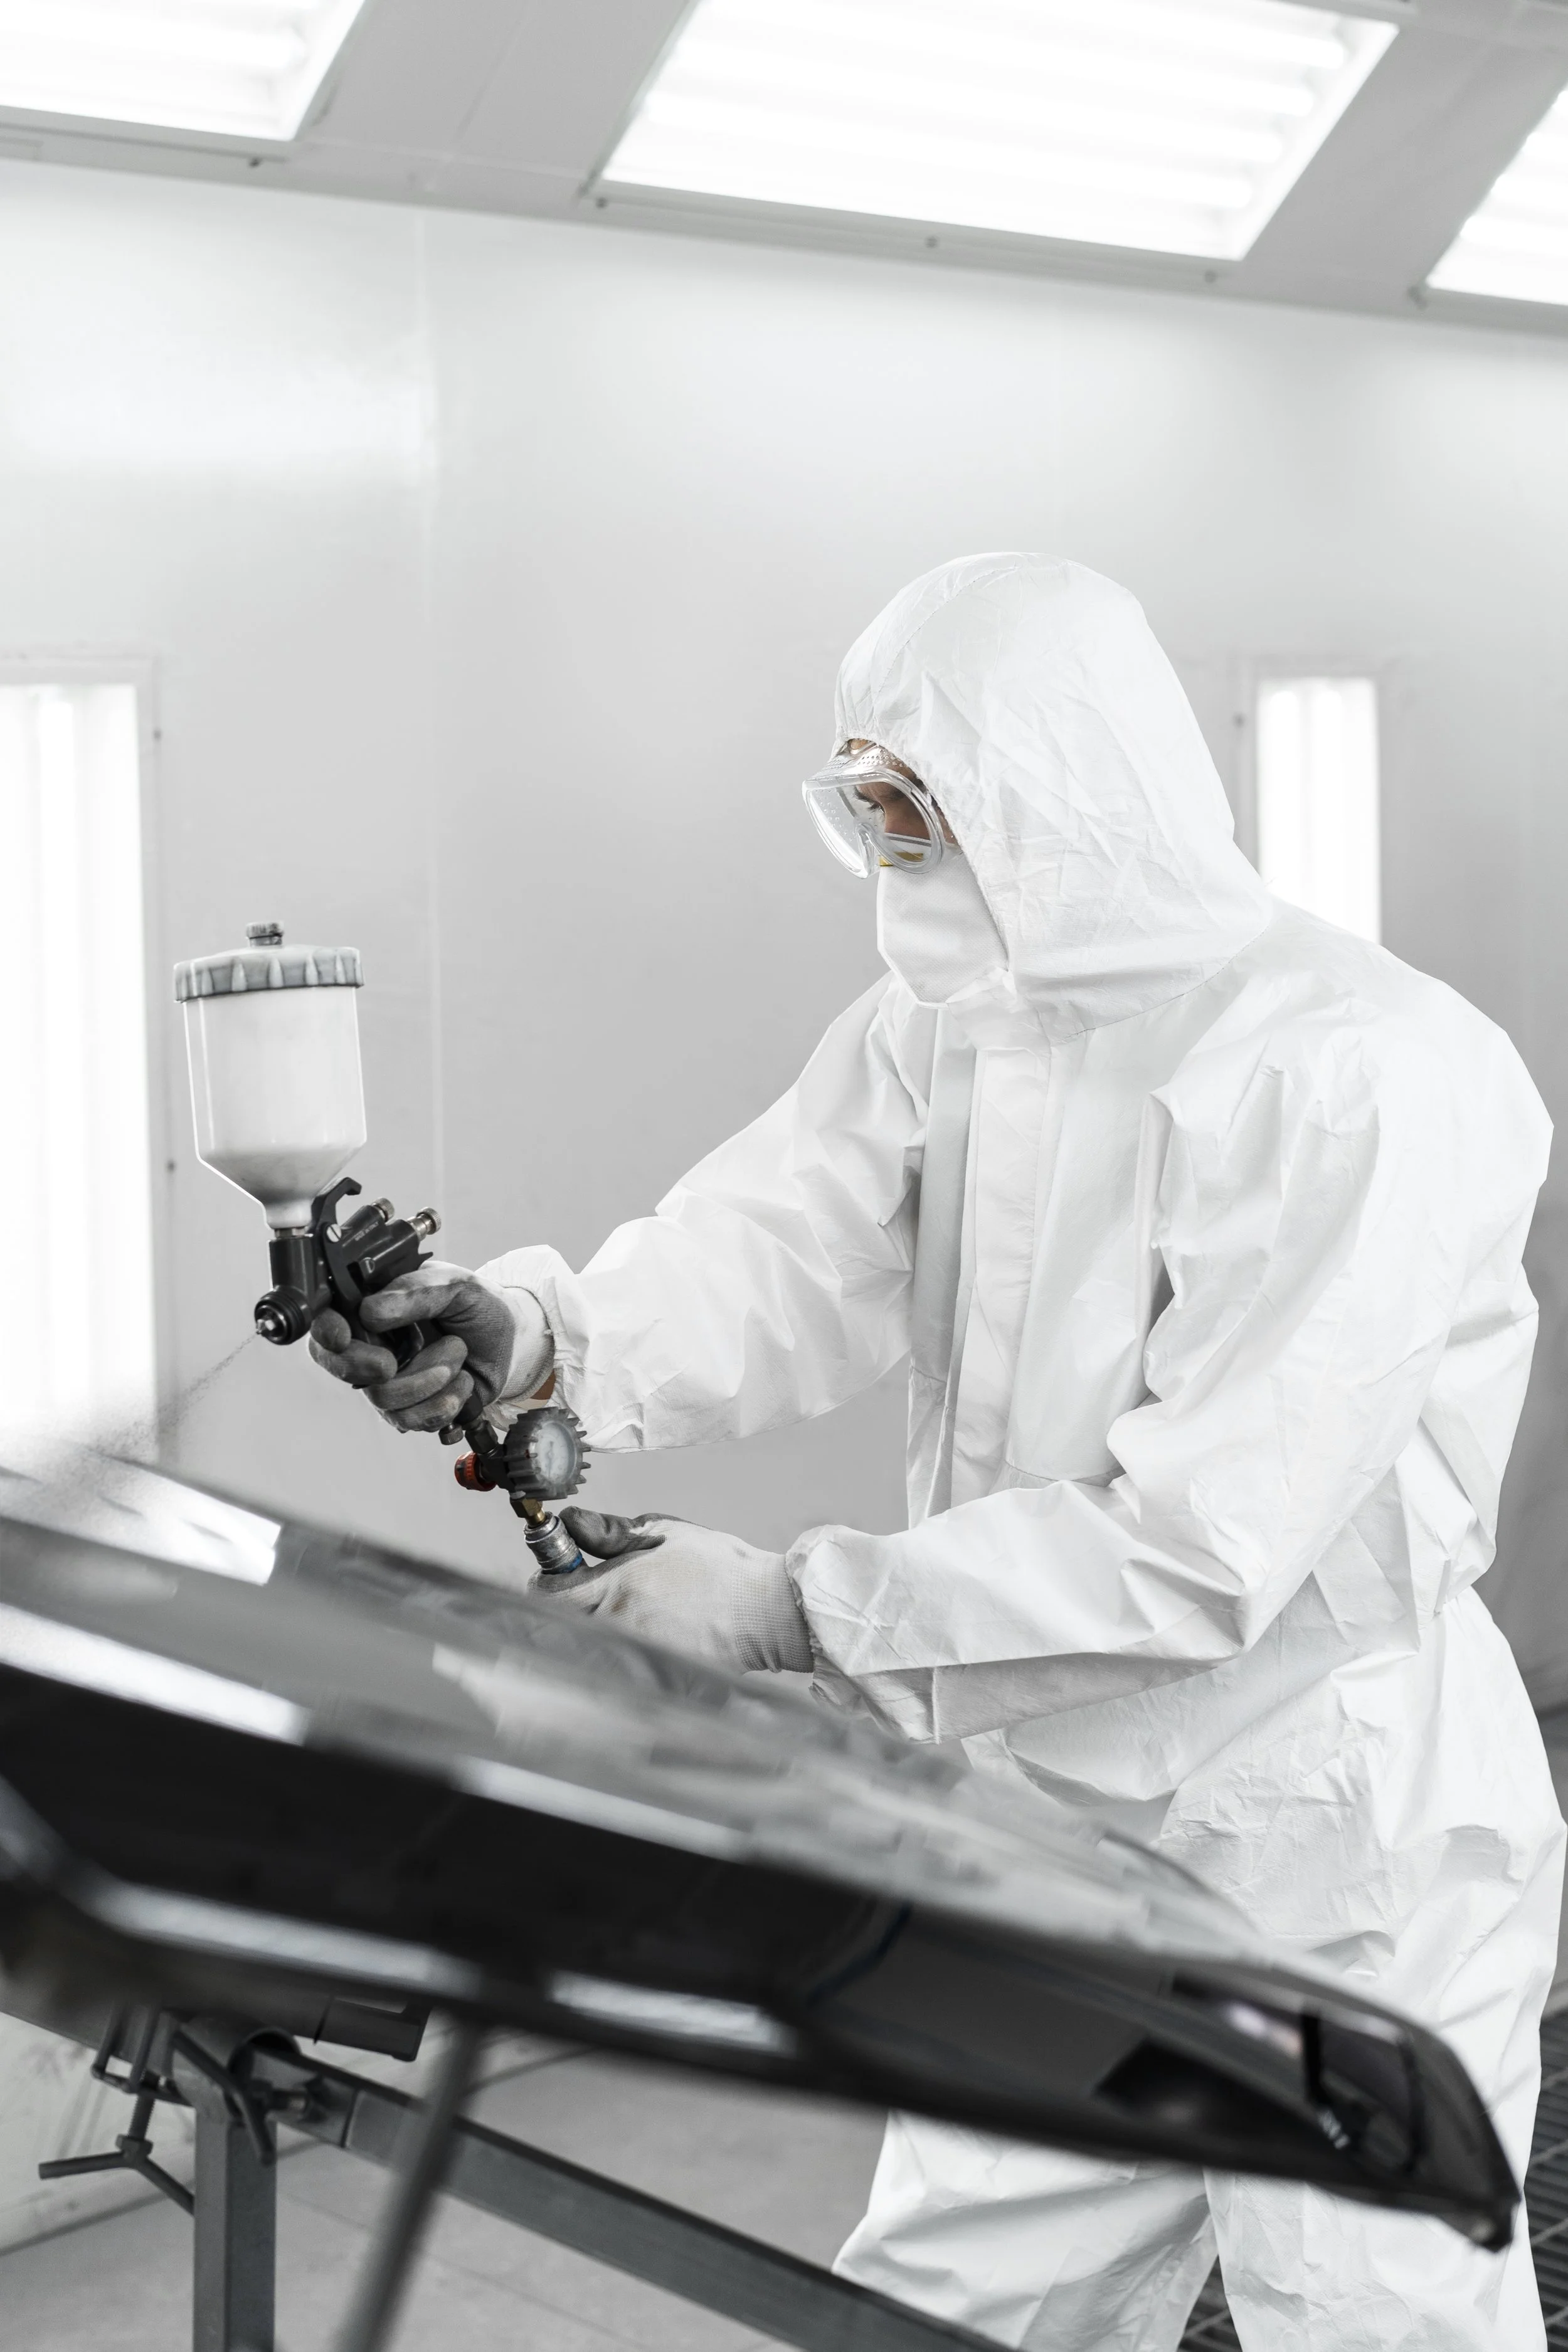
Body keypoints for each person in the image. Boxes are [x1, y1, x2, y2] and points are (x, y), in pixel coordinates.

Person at [311, 554, 1564, 2351]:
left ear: (1058, 782)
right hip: (1046, 1809)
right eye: (867, 805)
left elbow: (1205, 1545)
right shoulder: (956, 1021)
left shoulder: (1358, 1069)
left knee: (1364, 2319)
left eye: (917, 804)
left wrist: (790, 1607)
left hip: (1325, 1841)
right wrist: (539, 1334)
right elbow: (775, 1241)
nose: (892, 846)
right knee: (943, 2307)